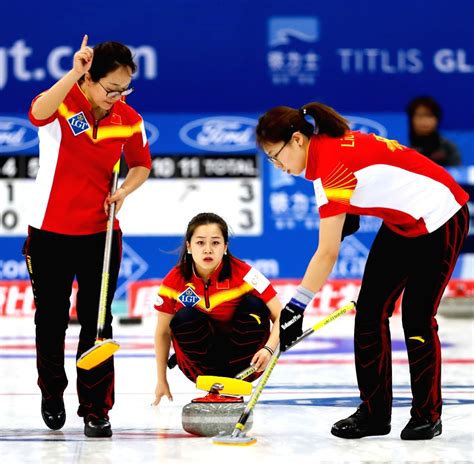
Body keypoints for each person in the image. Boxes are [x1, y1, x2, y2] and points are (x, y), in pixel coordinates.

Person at [256, 102, 469, 440]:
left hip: (440, 215)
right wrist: (349, 217)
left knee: (417, 316)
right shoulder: (319, 158)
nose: (278, 166)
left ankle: (427, 415)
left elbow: (326, 253)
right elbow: (360, 181)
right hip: (402, 224)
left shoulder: (330, 165)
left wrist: (296, 307)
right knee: (369, 312)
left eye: (275, 155)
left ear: (296, 139)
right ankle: (374, 413)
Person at [23, 35, 151, 438]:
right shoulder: (63, 101)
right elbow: (37, 113)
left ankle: (95, 408)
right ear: (89, 79)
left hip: (100, 234)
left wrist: (124, 191)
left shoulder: (128, 118)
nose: (117, 96)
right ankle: (51, 393)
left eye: (125, 88)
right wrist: (73, 73)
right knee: (52, 319)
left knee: (98, 323)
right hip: (49, 232)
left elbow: (141, 165)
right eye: (111, 88)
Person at [152, 212, 281, 405]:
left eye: (215, 243)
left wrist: (269, 350)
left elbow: (281, 316)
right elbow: (162, 333)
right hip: (199, 368)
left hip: (246, 364)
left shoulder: (247, 275)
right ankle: (213, 385)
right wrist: (161, 379)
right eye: (200, 243)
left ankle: (232, 381)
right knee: (184, 317)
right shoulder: (174, 280)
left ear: (225, 247)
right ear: (189, 246)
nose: (208, 250)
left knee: (253, 306)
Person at [406, 95, 461, 167]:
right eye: (420, 115)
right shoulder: (403, 147)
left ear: (437, 119)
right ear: (411, 119)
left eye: (429, 115)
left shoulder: (449, 148)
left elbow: (456, 174)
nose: (424, 120)